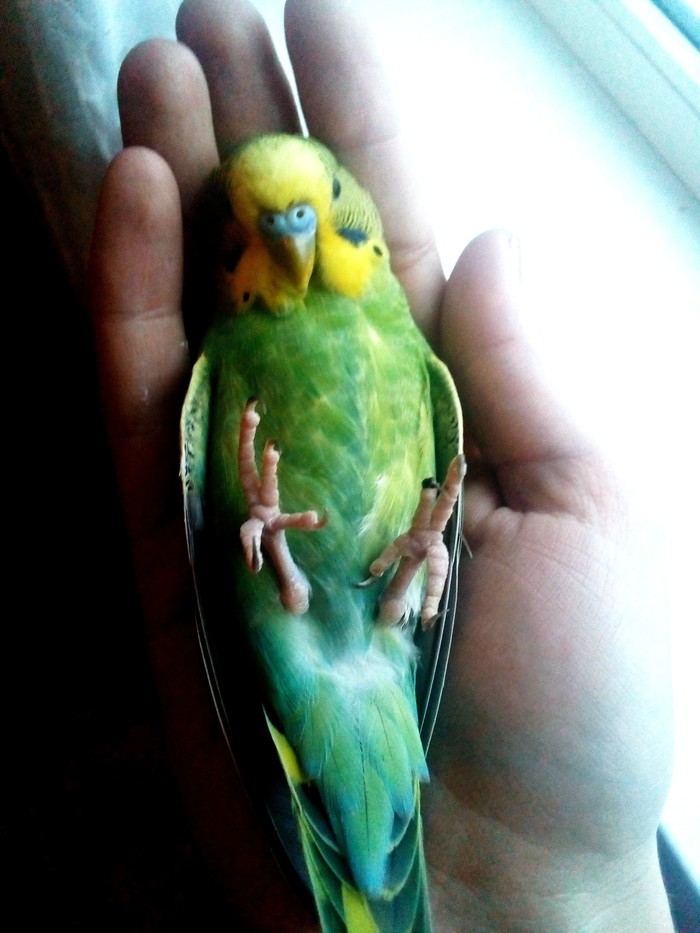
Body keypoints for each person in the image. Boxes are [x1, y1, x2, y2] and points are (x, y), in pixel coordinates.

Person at [88, 0, 675, 928]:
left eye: (324, 203)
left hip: (389, 651)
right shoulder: (220, 363)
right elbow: (204, 571)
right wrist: (261, 537)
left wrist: (428, 550)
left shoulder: (427, 371)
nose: (293, 233)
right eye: (257, 226)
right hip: (294, 647)